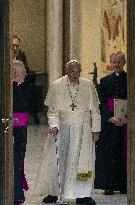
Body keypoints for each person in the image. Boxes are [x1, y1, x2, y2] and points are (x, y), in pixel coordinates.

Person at [40, 60, 101, 205]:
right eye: (72, 71)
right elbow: (52, 111)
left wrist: (96, 129)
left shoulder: (88, 85)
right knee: (59, 161)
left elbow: (95, 110)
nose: (75, 74)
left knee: (83, 162)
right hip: (63, 128)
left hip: (83, 129)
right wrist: (53, 125)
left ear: (81, 70)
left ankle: (83, 195)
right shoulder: (56, 85)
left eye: (77, 71)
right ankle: (55, 192)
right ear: (66, 71)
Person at [99, 51, 127, 195]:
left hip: (125, 124)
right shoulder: (104, 81)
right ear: (111, 63)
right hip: (109, 124)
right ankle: (108, 185)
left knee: (123, 154)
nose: (116, 65)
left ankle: (123, 185)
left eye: (119, 62)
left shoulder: (130, 80)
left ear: (124, 63)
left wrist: (127, 118)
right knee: (108, 153)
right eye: (114, 62)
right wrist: (110, 117)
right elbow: (101, 103)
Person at [13, 60, 29, 204]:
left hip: (21, 131)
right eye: (22, 72)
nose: (25, 74)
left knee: (20, 159)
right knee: (15, 160)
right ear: (14, 74)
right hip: (15, 131)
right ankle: (16, 193)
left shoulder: (20, 86)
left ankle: (18, 191)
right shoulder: (11, 88)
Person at [13, 35, 40, 124]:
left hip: (19, 100)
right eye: (12, 45)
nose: (15, 48)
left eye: (17, 46)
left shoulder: (20, 63)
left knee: (20, 130)